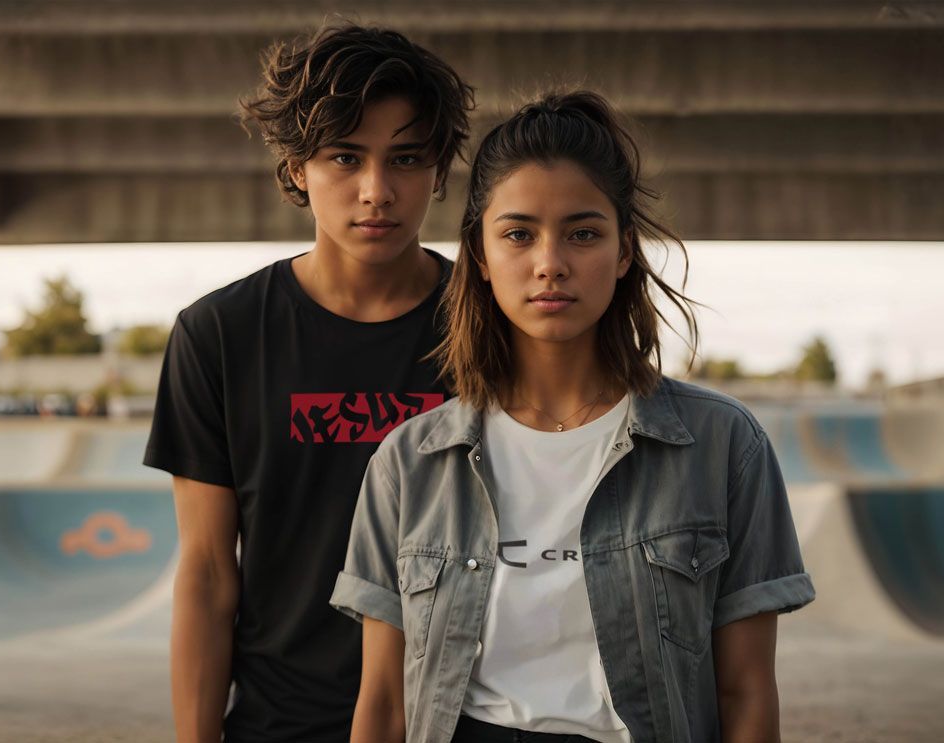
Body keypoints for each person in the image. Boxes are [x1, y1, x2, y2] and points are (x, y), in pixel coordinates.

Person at [331, 91, 816, 743]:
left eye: (583, 233)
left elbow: (747, 691)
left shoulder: (724, 445)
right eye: (519, 233)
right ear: (479, 254)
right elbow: (386, 703)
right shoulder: (409, 462)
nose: (550, 263)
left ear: (622, 253)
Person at [143, 23, 474, 742]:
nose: (376, 191)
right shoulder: (219, 334)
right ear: (296, 168)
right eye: (344, 158)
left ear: (440, 171)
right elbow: (206, 573)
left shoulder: (490, 329)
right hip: (279, 723)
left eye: (407, 158)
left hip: (460, 717)